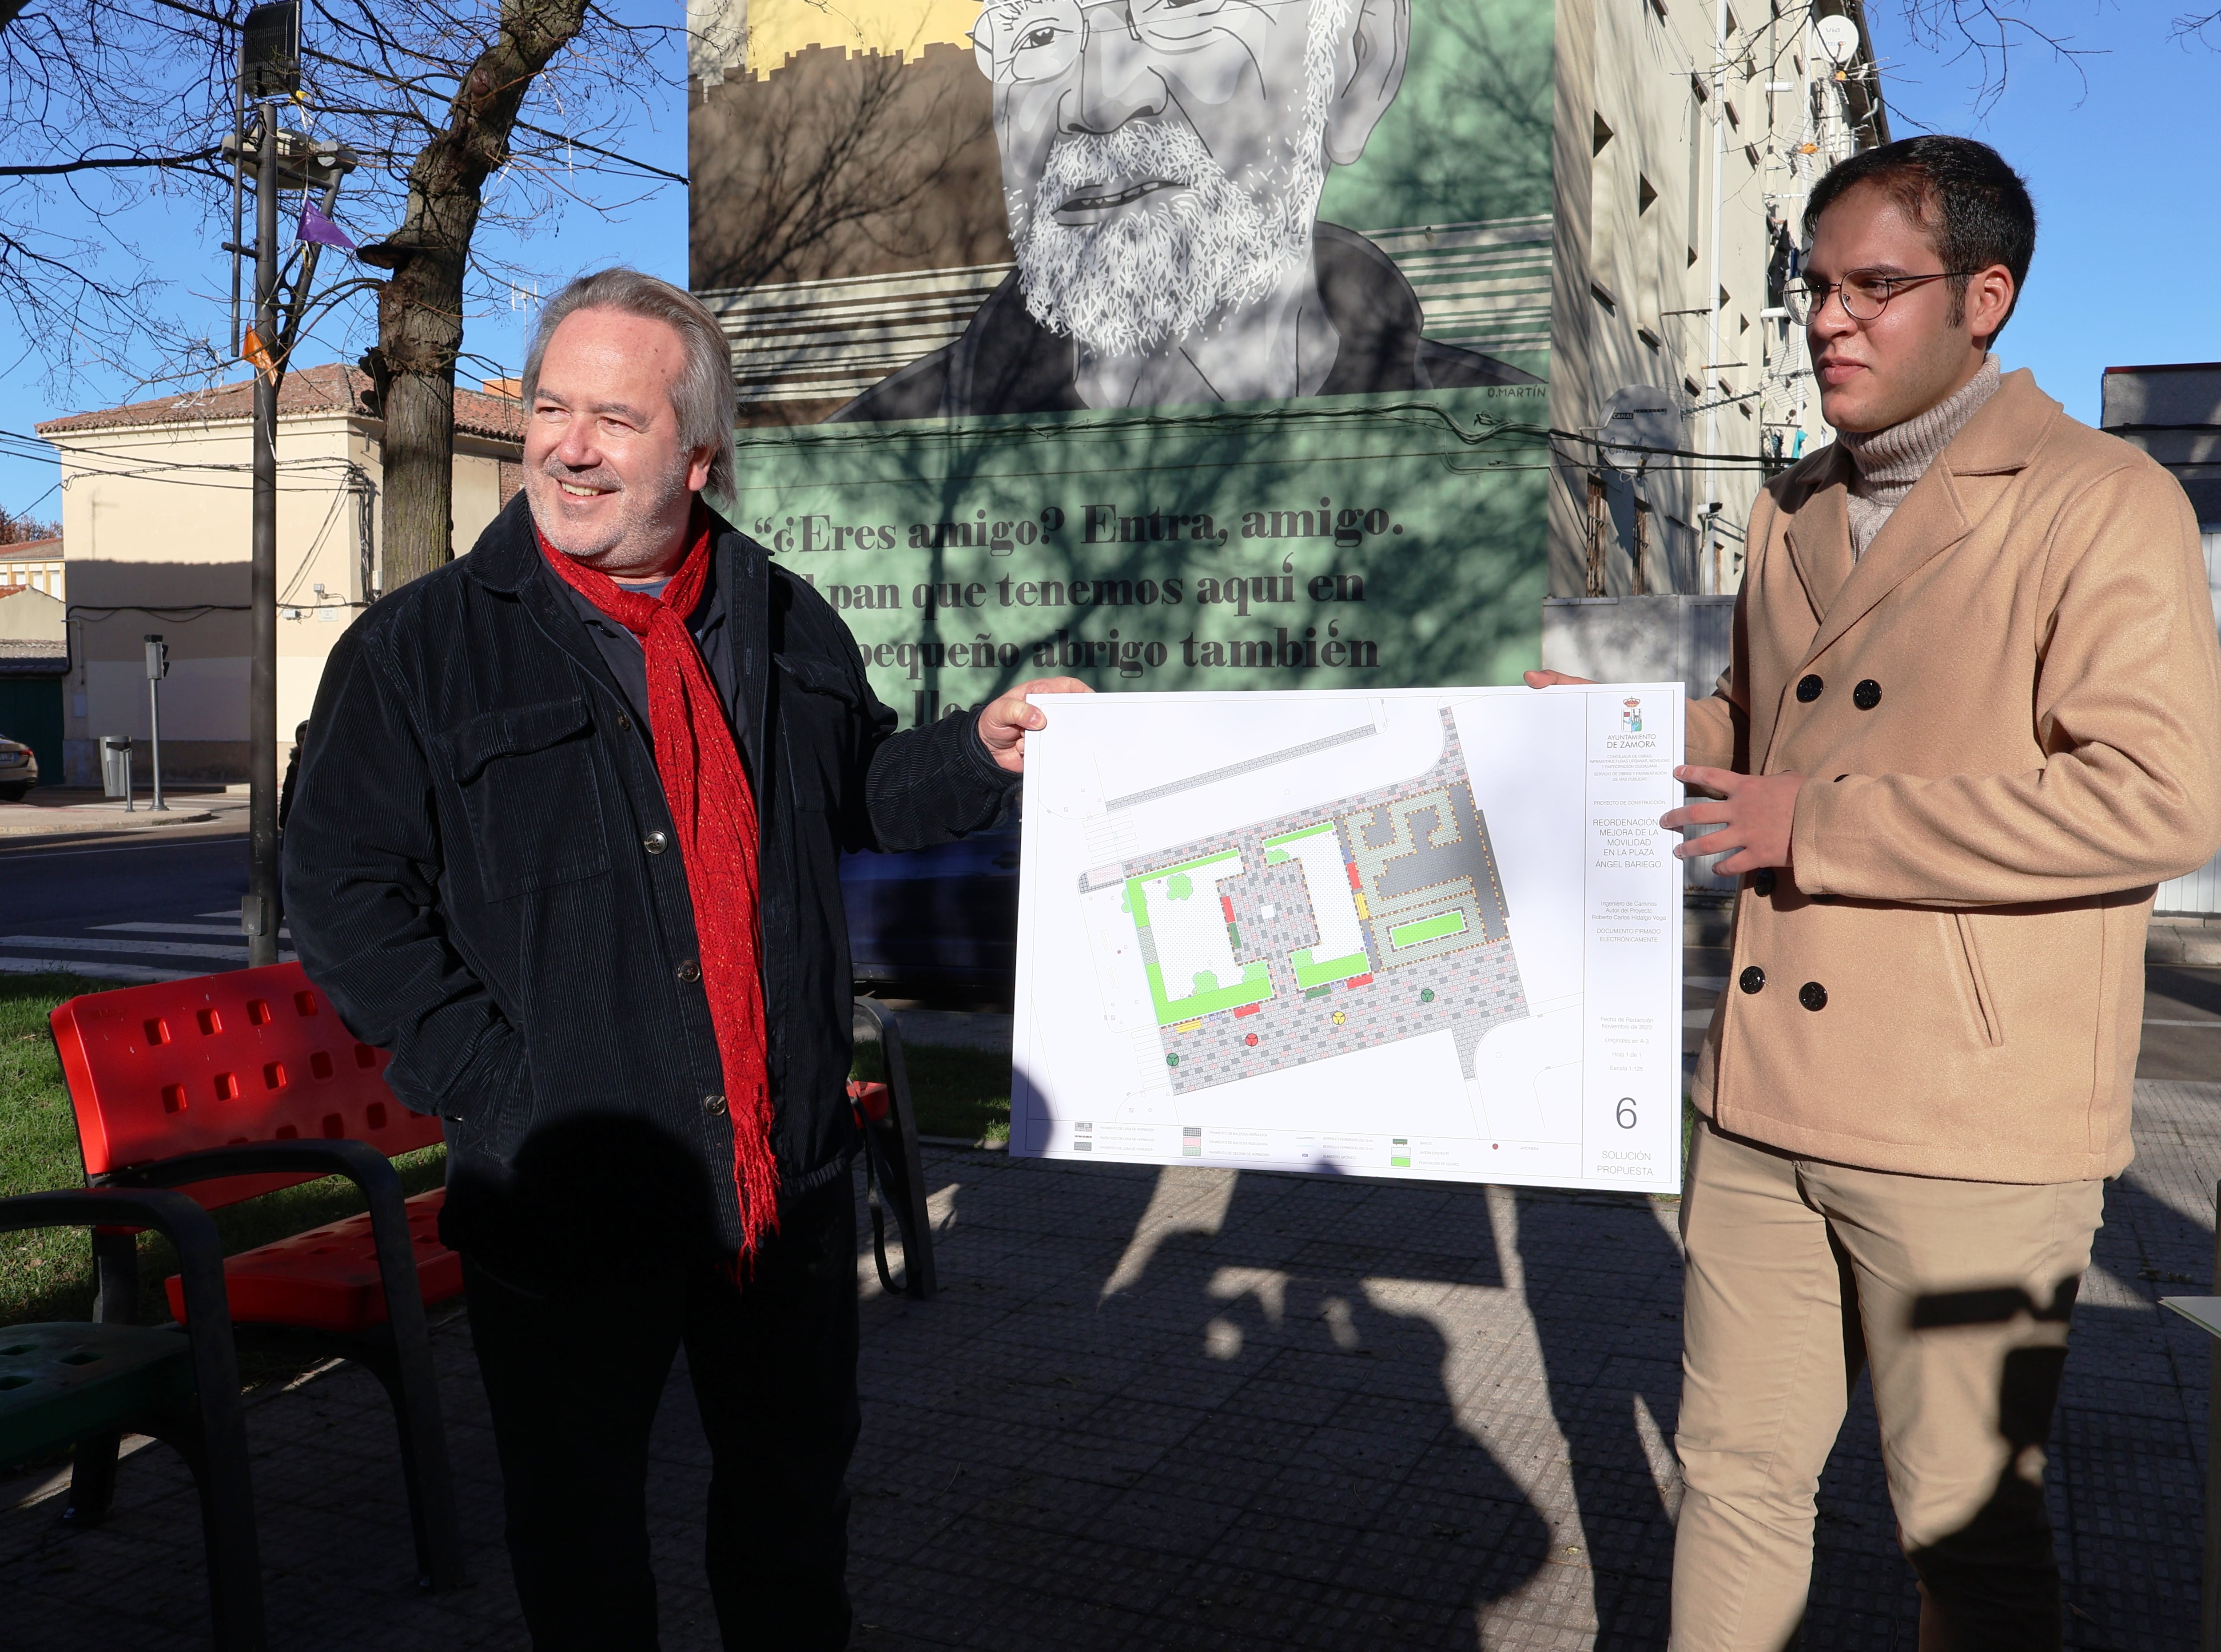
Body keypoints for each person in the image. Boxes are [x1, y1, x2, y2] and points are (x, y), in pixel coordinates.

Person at [283, 268, 1086, 1651]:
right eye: (547, 408)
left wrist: (980, 748)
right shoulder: (418, 653)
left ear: (697, 456)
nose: (564, 445)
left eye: (614, 418)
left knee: (790, 1521)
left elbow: (858, 793)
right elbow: (347, 896)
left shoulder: (779, 616)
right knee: (582, 1547)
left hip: (785, 1178)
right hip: (574, 1189)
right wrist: (501, 1087)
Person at [1530, 136, 2221, 1648]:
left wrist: (1814, 827)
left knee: (1962, 1534)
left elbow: (2157, 798)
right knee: (1733, 1477)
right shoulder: (1789, 507)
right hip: (1767, 1097)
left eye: (1874, 287)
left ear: (1987, 296)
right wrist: (1599, 735)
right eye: (1812, 288)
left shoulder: (2104, 503)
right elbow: (1755, 735)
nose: (1828, 319)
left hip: (1972, 1124)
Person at [831, 0, 1536, 420]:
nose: (1097, 105)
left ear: (1362, 64)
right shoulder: (863, 465)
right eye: (1038, 34)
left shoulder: (1507, 453)